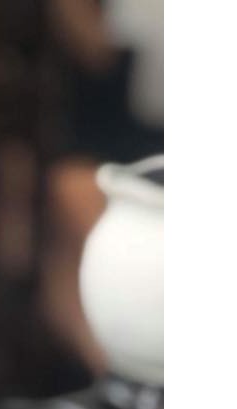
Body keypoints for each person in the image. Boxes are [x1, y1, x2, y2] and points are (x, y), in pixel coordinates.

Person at [41, 0, 164, 376]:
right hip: (121, 126)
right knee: (71, 192)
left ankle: (130, 378)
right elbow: (97, 47)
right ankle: (121, 376)